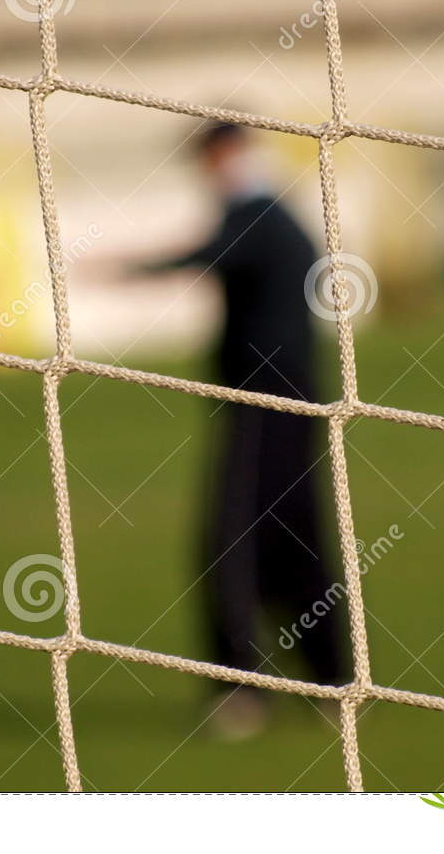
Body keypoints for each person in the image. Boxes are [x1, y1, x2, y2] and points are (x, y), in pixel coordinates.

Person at [140, 121, 347, 739]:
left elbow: (211, 253)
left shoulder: (260, 214)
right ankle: (331, 682)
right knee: (293, 539)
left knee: (229, 541)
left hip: (264, 401)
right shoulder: (273, 215)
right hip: (292, 400)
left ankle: (240, 689)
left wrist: (129, 267)